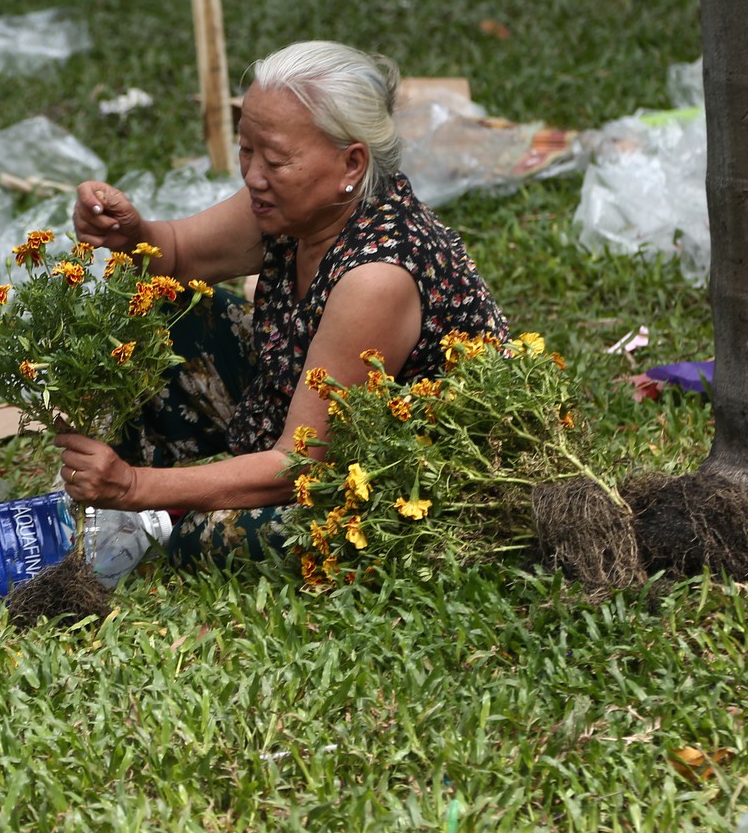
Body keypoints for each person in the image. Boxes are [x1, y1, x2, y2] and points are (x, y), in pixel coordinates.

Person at [54, 40, 509, 561]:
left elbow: (302, 464)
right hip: (309, 422)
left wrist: (134, 487)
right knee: (161, 311)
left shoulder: (377, 275)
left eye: (275, 158)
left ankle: (134, 500)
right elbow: (175, 255)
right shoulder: (293, 208)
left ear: (351, 164)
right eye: (247, 150)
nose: (252, 175)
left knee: (212, 536)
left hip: (399, 476)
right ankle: (99, 489)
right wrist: (126, 232)